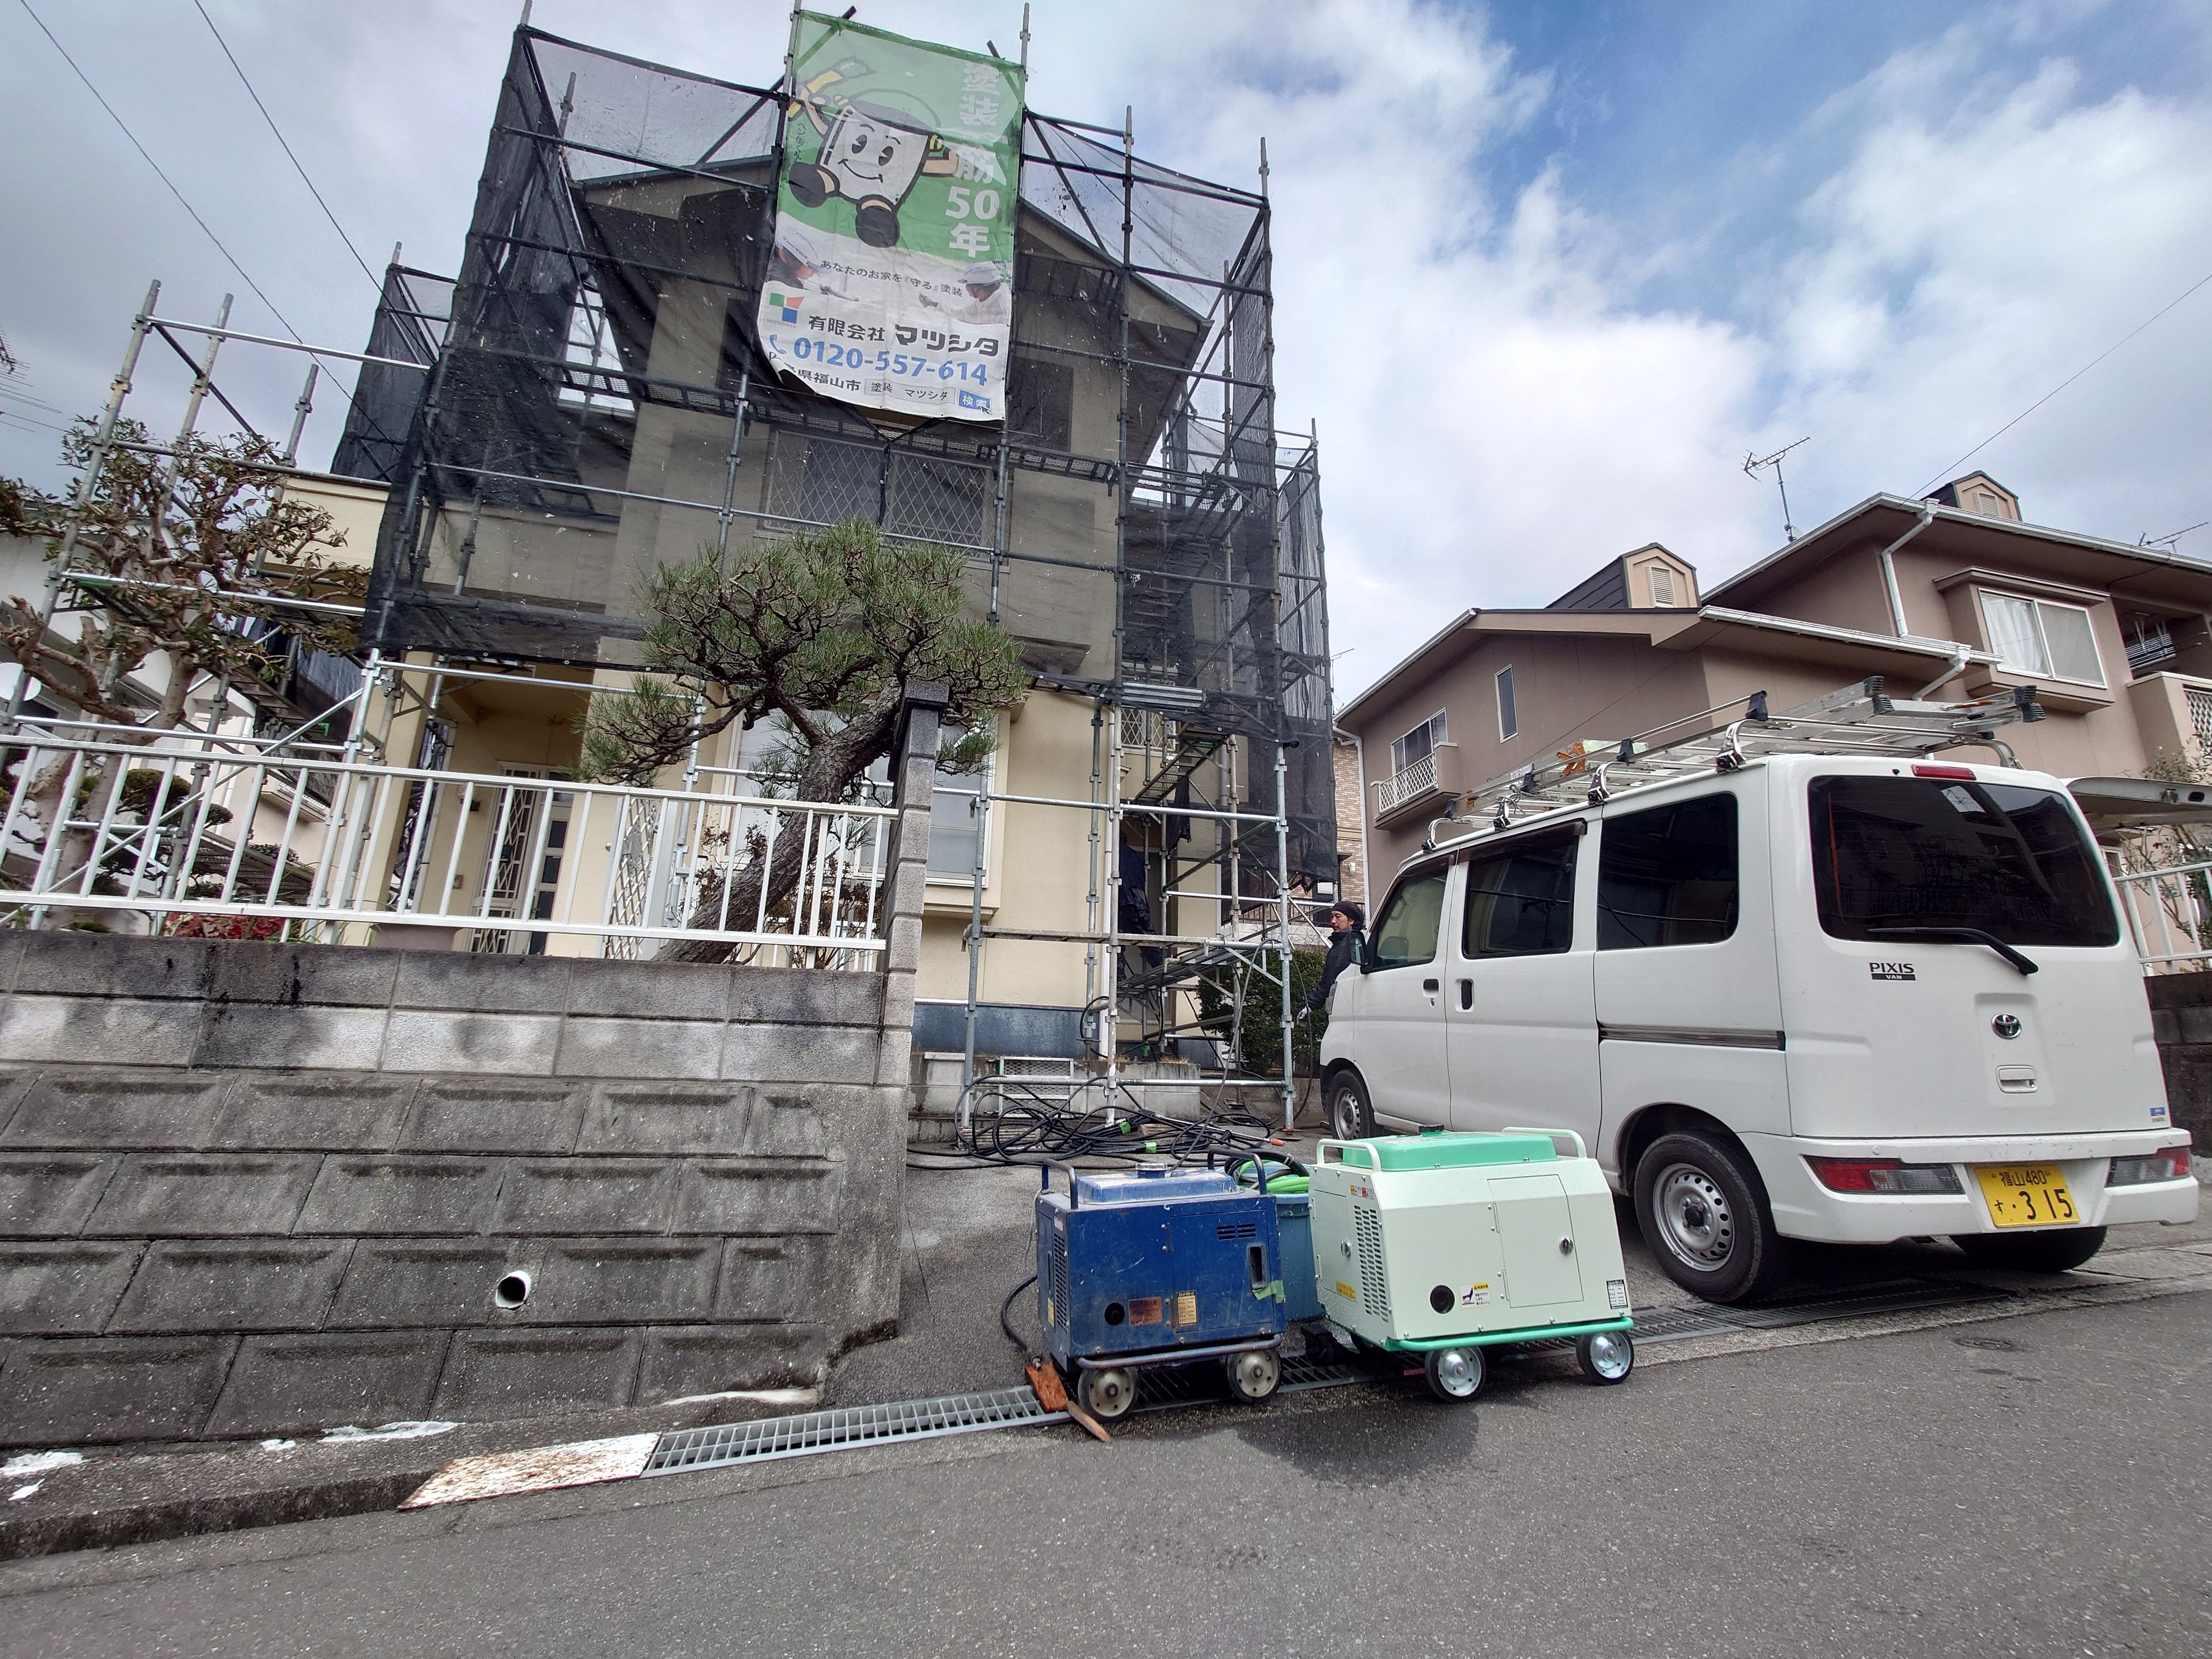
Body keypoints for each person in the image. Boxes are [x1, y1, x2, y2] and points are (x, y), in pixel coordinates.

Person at [1300, 900, 1365, 1020]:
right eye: (1332, 917)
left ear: (1351, 921)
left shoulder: (1358, 944)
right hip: (1337, 1012)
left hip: (1353, 1011)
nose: (1333, 921)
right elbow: (1327, 983)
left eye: (1338, 917)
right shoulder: (1336, 947)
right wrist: (1309, 1007)